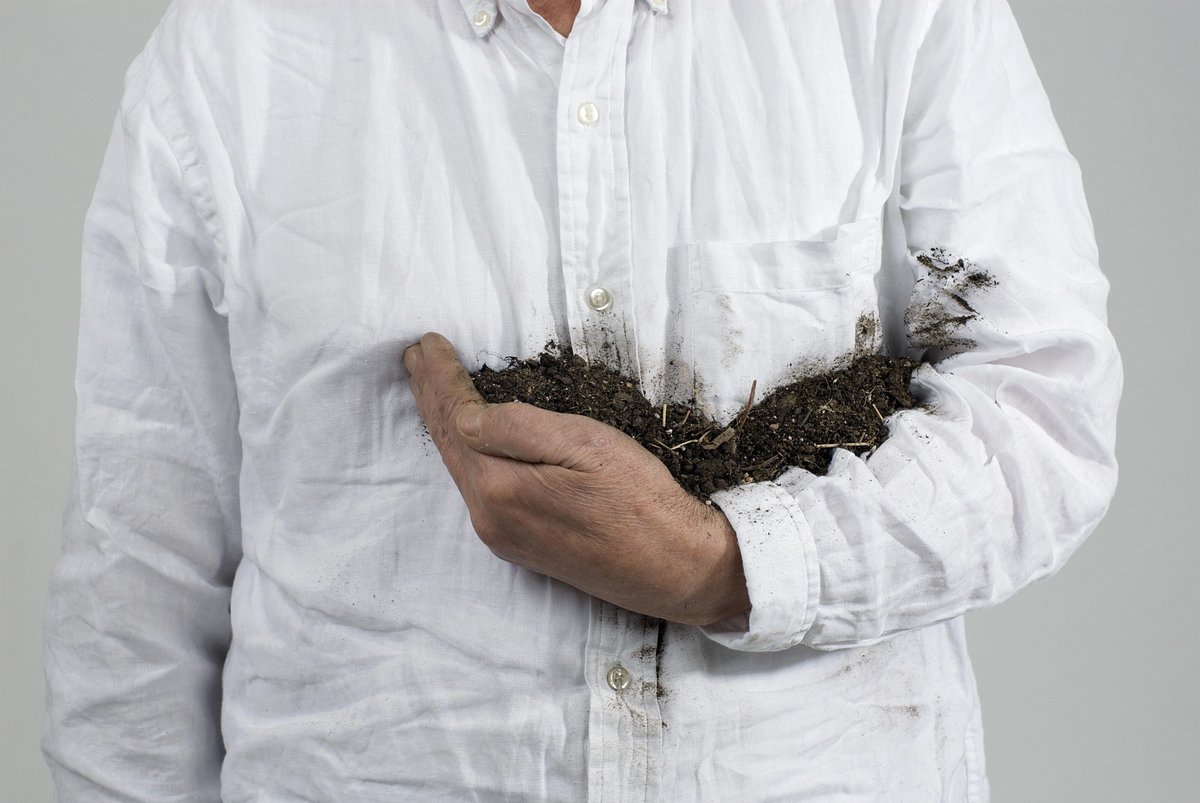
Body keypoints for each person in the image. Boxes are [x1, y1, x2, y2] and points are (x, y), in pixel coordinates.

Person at [42, 0, 1121, 799]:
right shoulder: (234, 55)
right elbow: (137, 565)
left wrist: (722, 563)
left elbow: (1042, 412)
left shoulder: (891, 17)